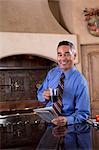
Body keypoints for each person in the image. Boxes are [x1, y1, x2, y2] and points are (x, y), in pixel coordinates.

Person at [37, 40, 90, 126]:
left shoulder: (80, 81)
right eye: (60, 55)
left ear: (75, 56)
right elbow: (39, 94)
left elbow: (84, 114)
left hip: (68, 127)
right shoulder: (52, 73)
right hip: (48, 123)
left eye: (67, 54)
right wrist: (44, 96)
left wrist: (67, 120)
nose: (63, 58)